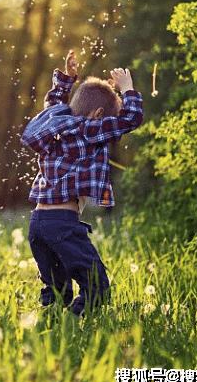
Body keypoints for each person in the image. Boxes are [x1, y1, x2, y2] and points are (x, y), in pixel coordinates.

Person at [20, 50, 144, 316]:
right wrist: (128, 89)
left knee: (55, 291)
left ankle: (51, 331)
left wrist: (65, 80)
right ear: (99, 114)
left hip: (37, 226)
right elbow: (131, 119)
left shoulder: (56, 127)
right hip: (63, 225)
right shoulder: (89, 129)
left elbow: (53, 106)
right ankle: (77, 325)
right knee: (96, 286)